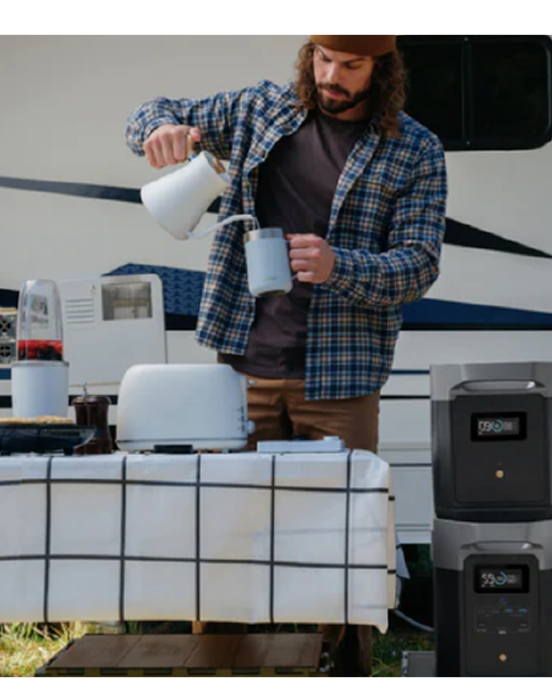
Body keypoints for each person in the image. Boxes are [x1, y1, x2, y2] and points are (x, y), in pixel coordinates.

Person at [125, 33, 447, 682]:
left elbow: (419, 265)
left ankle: (348, 677)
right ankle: (217, 675)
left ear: (382, 70)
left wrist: (339, 266)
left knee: (345, 540)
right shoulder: (257, 111)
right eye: (323, 59)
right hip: (241, 368)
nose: (332, 76)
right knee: (221, 536)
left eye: (351, 66)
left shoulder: (416, 150)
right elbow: (150, 112)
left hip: (342, 376)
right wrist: (160, 129)